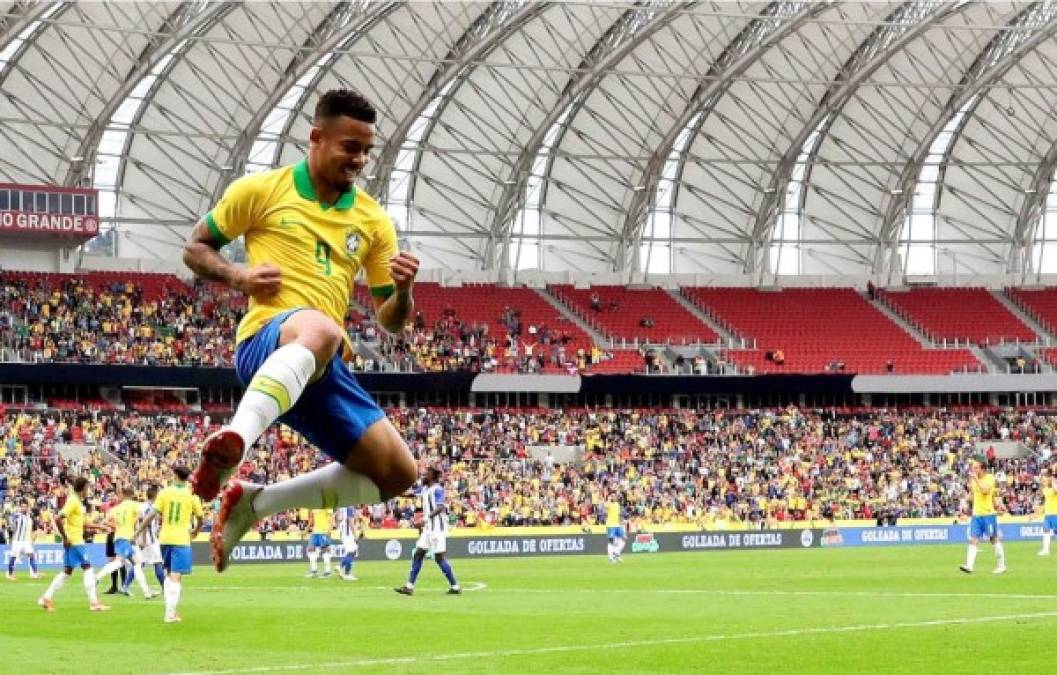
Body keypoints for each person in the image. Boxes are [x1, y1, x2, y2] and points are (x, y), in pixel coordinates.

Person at [181, 88, 418, 573]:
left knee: (397, 474)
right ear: (316, 137)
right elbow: (196, 247)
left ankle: (255, 503)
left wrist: (404, 291)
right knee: (322, 327)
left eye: (367, 150)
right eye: (350, 146)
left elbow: (388, 320)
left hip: (322, 366)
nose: (360, 159)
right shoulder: (260, 191)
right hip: (267, 341)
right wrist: (238, 276)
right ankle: (236, 443)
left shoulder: (373, 220)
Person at [138, 466, 203, 623]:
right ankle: (169, 613)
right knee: (176, 576)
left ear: (175, 475)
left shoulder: (165, 493)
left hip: (165, 538)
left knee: (169, 575)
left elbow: (151, 515)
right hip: (181, 539)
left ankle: (170, 611)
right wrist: (196, 530)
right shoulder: (191, 495)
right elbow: (201, 517)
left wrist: (139, 531)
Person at [38, 477, 110, 612]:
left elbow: (83, 523)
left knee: (67, 571)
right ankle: (94, 603)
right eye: (87, 487)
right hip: (75, 541)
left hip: (74, 540)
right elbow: (59, 518)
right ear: (82, 488)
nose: (88, 490)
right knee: (88, 568)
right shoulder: (73, 501)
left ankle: (46, 597)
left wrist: (100, 527)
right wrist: (64, 537)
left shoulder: (77, 502)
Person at [394, 466, 460, 596]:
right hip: (428, 529)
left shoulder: (438, 490)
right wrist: (394, 490)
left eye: (426, 474)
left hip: (437, 529)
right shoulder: (424, 489)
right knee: (418, 554)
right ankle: (409, 586)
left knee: (439, 558)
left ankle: (455, 586)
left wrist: (426, 518)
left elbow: (440, 507)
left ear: (433, 476)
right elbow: (410, 494)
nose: (424, 476)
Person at [96, 487, 155, 598]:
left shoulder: (116, 508)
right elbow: (147, 511)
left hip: (118, 538)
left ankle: (147, 592)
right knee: (125, 563)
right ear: (132, 495)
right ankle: (97, 577)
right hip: (127, 538)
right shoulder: (134, 505)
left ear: (123, 494)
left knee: (135, 563)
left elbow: (103, 521)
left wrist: (108, 528)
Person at [960, 457, 1006, 575]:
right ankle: (969, 566)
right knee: (973, 540)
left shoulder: (990, 478)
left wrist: (976, 480)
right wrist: (965, 501)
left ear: (982, 469)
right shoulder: (973, 480)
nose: (973, 469)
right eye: (973, 467)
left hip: (988, 515)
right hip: (976, 515)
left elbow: (985, 491)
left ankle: (1001, 565)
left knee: (993, 539)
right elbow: (973, 494)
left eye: (976, 467)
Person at [134, 484, 167, 590]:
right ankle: (164, 586)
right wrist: (143, 540)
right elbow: (144, 523)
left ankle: (125, 586)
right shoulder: (150, 508)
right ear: (155, 495)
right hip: (149, 540)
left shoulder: (142, 506)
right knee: (158, 562)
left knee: (139, 563)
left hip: (145, 538)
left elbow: (138, 522)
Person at [6, 501, 40, 581]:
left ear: (27, 508)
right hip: (17, 540)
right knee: (13, 557)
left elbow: (31, 527)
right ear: (20, 508)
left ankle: (34, 573)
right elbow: (9, 519)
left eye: (25, 507)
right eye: (22, 507)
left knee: (31, 555)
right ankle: (9, 574)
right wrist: (11, 525)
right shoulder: (17, 515)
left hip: (26, 541)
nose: (24, 508)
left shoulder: (29, 517)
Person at [305, 508, 334, 578]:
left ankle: (327, 572)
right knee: (310, 549)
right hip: (315, 531)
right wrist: (307, 529)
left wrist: (329, 530)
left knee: (325, 550)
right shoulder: (314, 506)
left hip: (324, 531)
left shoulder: (327, 505)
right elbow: (311, 519)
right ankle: (314, 572)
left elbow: (331, 518)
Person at [337, 505, 362, 581]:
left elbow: (338, 519)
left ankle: (347, 574)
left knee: (352, 553)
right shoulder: (350, 507)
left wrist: (340, 532)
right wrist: (355, 536)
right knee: (352, 552)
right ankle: (340, 566)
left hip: (343, 532)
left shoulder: (342, 507)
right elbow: (350, 521)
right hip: (348, 534)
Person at [1039, 468, 1057, 557]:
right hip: (1048, 514)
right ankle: (1045, 550)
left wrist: (1053, 480)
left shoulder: (1054, 487)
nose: (1046, 480)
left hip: (1055, 513)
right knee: (1046, 530)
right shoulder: (1045, 489)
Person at [605, 494, 626, 563]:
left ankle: (616, 554)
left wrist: (621, 521)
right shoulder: (608, 504)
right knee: (611, 541)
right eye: (613, 496)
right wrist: (608, 499)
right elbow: (606, 507)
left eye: (615, 496)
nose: (614, 497)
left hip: (617, 525)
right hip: (610, 525)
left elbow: (618, 514)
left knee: (624, 538)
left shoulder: (617, 504)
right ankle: (610, 558)